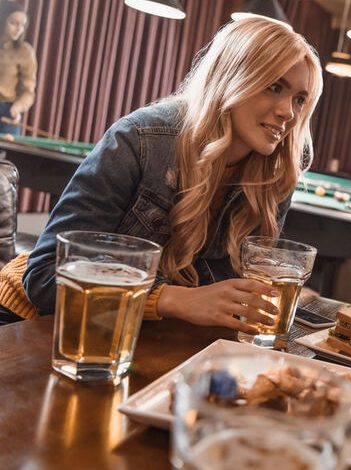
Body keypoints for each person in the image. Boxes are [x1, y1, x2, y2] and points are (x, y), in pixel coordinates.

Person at [0, 18, 323, 329]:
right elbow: (44, 278)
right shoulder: (139, 139)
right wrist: (169, 299)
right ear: (232, 77)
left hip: (139, 336)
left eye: (299, 99)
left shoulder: (274, 174)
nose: (288, 112)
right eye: (274, 86)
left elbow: (227, 297)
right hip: (31, 323)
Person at [0, 1, 36, 136]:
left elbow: (28, 92)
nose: (18, 29)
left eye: (22, 25)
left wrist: (17, 108)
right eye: (13, 23)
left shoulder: (25, 52)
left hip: (6, 112)